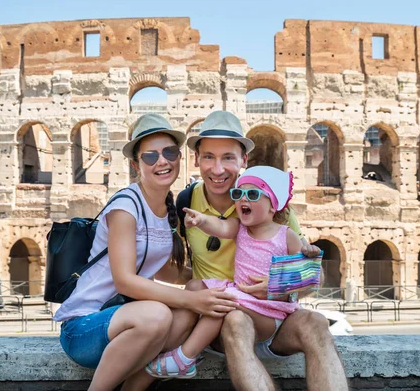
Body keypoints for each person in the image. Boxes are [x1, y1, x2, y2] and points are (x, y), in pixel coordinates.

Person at [53, 113, 238, 391]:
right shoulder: (125, 207)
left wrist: (214, 281)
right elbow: (125, 281)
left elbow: (161, 268)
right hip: (85, 327)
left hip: (122, 322)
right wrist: (194, 300)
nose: (162, 161)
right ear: (136, 164)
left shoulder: (165, 206)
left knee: (186, 311)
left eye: (169, 152)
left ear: (179, 157)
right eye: (150, 156)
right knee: (160, 313)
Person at [180, 111, 348, 391]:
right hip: (223, 324)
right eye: (208, 156)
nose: (217, 169)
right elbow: (171, 266)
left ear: (244, 160)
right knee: (235, 319)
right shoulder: (185, 204)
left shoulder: (274, 207)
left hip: (274, 320)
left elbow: (309, 276)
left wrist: (278, 285)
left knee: (316, 324)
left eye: (228, 158)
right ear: (196, 159)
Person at [145, 166, 306, 378]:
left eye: (253, 194)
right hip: (242, 296)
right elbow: (220, 227)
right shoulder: (240, 228)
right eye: (238, 194)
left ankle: (185, 357)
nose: (243, 199)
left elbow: (304, 271)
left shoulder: (286, 235)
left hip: (269, 310)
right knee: (195, 286)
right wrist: (201, 220)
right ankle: (186, 347)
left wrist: (307, 253)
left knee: (219, 302)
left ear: (272, 206)